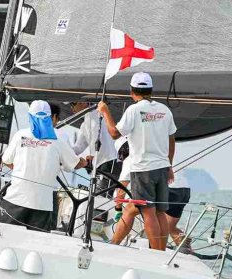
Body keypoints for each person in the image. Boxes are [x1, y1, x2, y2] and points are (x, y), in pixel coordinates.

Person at [98, 72, 177, 251]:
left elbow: (114, 133)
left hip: (142, 169)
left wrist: (105, 111)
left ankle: (156, 254)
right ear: (151, 90)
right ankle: (161, 253)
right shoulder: (165, 110)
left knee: (148, 212)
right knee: (160, 212)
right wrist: (169, 165)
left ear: (132, 92)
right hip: (162, 167)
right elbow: (171, 140)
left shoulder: (133, 110)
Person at [0, 100, 87, 230]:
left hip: (15, 199)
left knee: (5, 236)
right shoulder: (58, 139)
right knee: (37, 241)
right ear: (50, 117)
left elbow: (6, 160)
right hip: (43, 205)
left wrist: (20, 170)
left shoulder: (20, 135)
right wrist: (84, 162)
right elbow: (75, 164)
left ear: (30, 116)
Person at [70, 100, 119, 196]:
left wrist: (92, 157)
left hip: (109, 162)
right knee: (98, 197)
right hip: (101, 164)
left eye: (73, 104)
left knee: (99, 198)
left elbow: (97, 138)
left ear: (83, 102)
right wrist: (61, 153)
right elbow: (78, 148)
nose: (72, 108)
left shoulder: (97, 114)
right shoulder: (84, 124)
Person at [166, 168, 192, 249]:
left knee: (151, 217)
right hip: (185, 190)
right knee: (170, 227)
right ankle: (186, 250)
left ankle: (155, 247)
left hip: (171, 188)